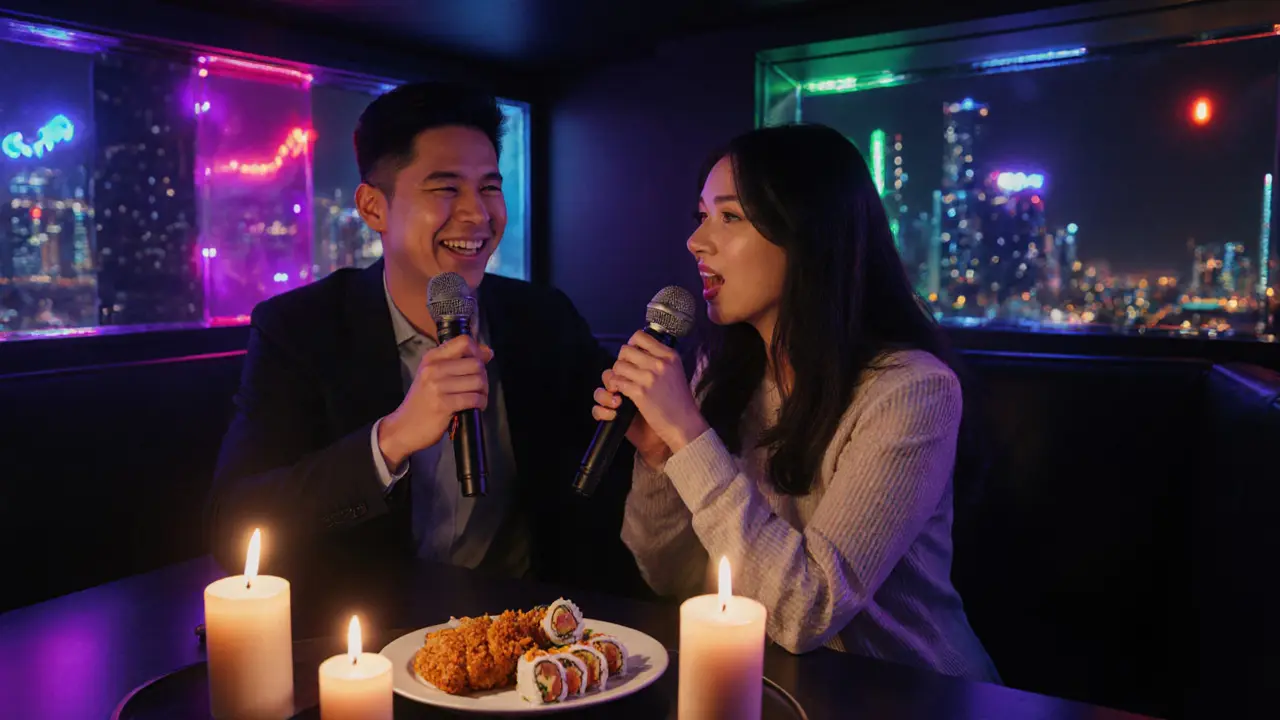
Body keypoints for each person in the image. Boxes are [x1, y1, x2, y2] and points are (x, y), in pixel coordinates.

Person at [593, 124, 1000, 680]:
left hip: (911, 691)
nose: (696, 241)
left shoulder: (912, 391)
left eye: (729, 216)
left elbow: (806, 612)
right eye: (701, 215)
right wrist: (663, 459)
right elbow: (671, 577)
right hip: (777, 683)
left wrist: (688, 434)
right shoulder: (723, 372)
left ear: (807, 233)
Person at [208, 82, 643, 595]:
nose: (478, 215)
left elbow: (608, 474)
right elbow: (235, 522)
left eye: (489, 187)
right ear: (373, 208)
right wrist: (391, 439)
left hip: (522, 618)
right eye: (446, 189)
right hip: (374, 624)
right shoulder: (300, 328)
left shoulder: (542, 317)